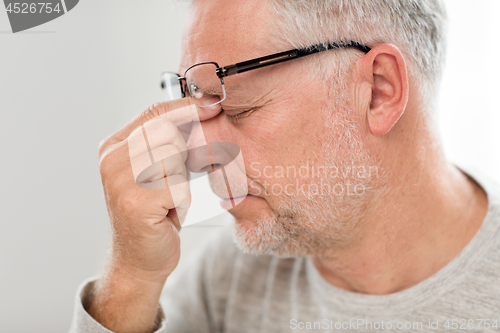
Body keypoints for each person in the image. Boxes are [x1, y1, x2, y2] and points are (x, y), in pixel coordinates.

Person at [70, 0, 500, 332]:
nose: (196, 154)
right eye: (195, 106)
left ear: (378, 92)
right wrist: (132, 281)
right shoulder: (229, 279)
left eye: (238, 107)